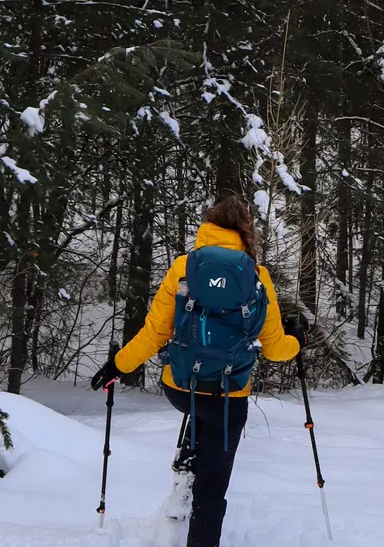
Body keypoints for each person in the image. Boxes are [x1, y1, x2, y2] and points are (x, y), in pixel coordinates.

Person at [91, 195, 304, 547]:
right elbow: (278, 350)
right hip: (228, 395)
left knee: (196, 408)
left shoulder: (183, 268)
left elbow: (155, 333)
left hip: (180, 386)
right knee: (213, 488)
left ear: (207, 226)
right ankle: (199, 506)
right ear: (245, 232)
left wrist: (118, 365)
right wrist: (298, 339)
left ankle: (185, 468)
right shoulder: (257, 276)